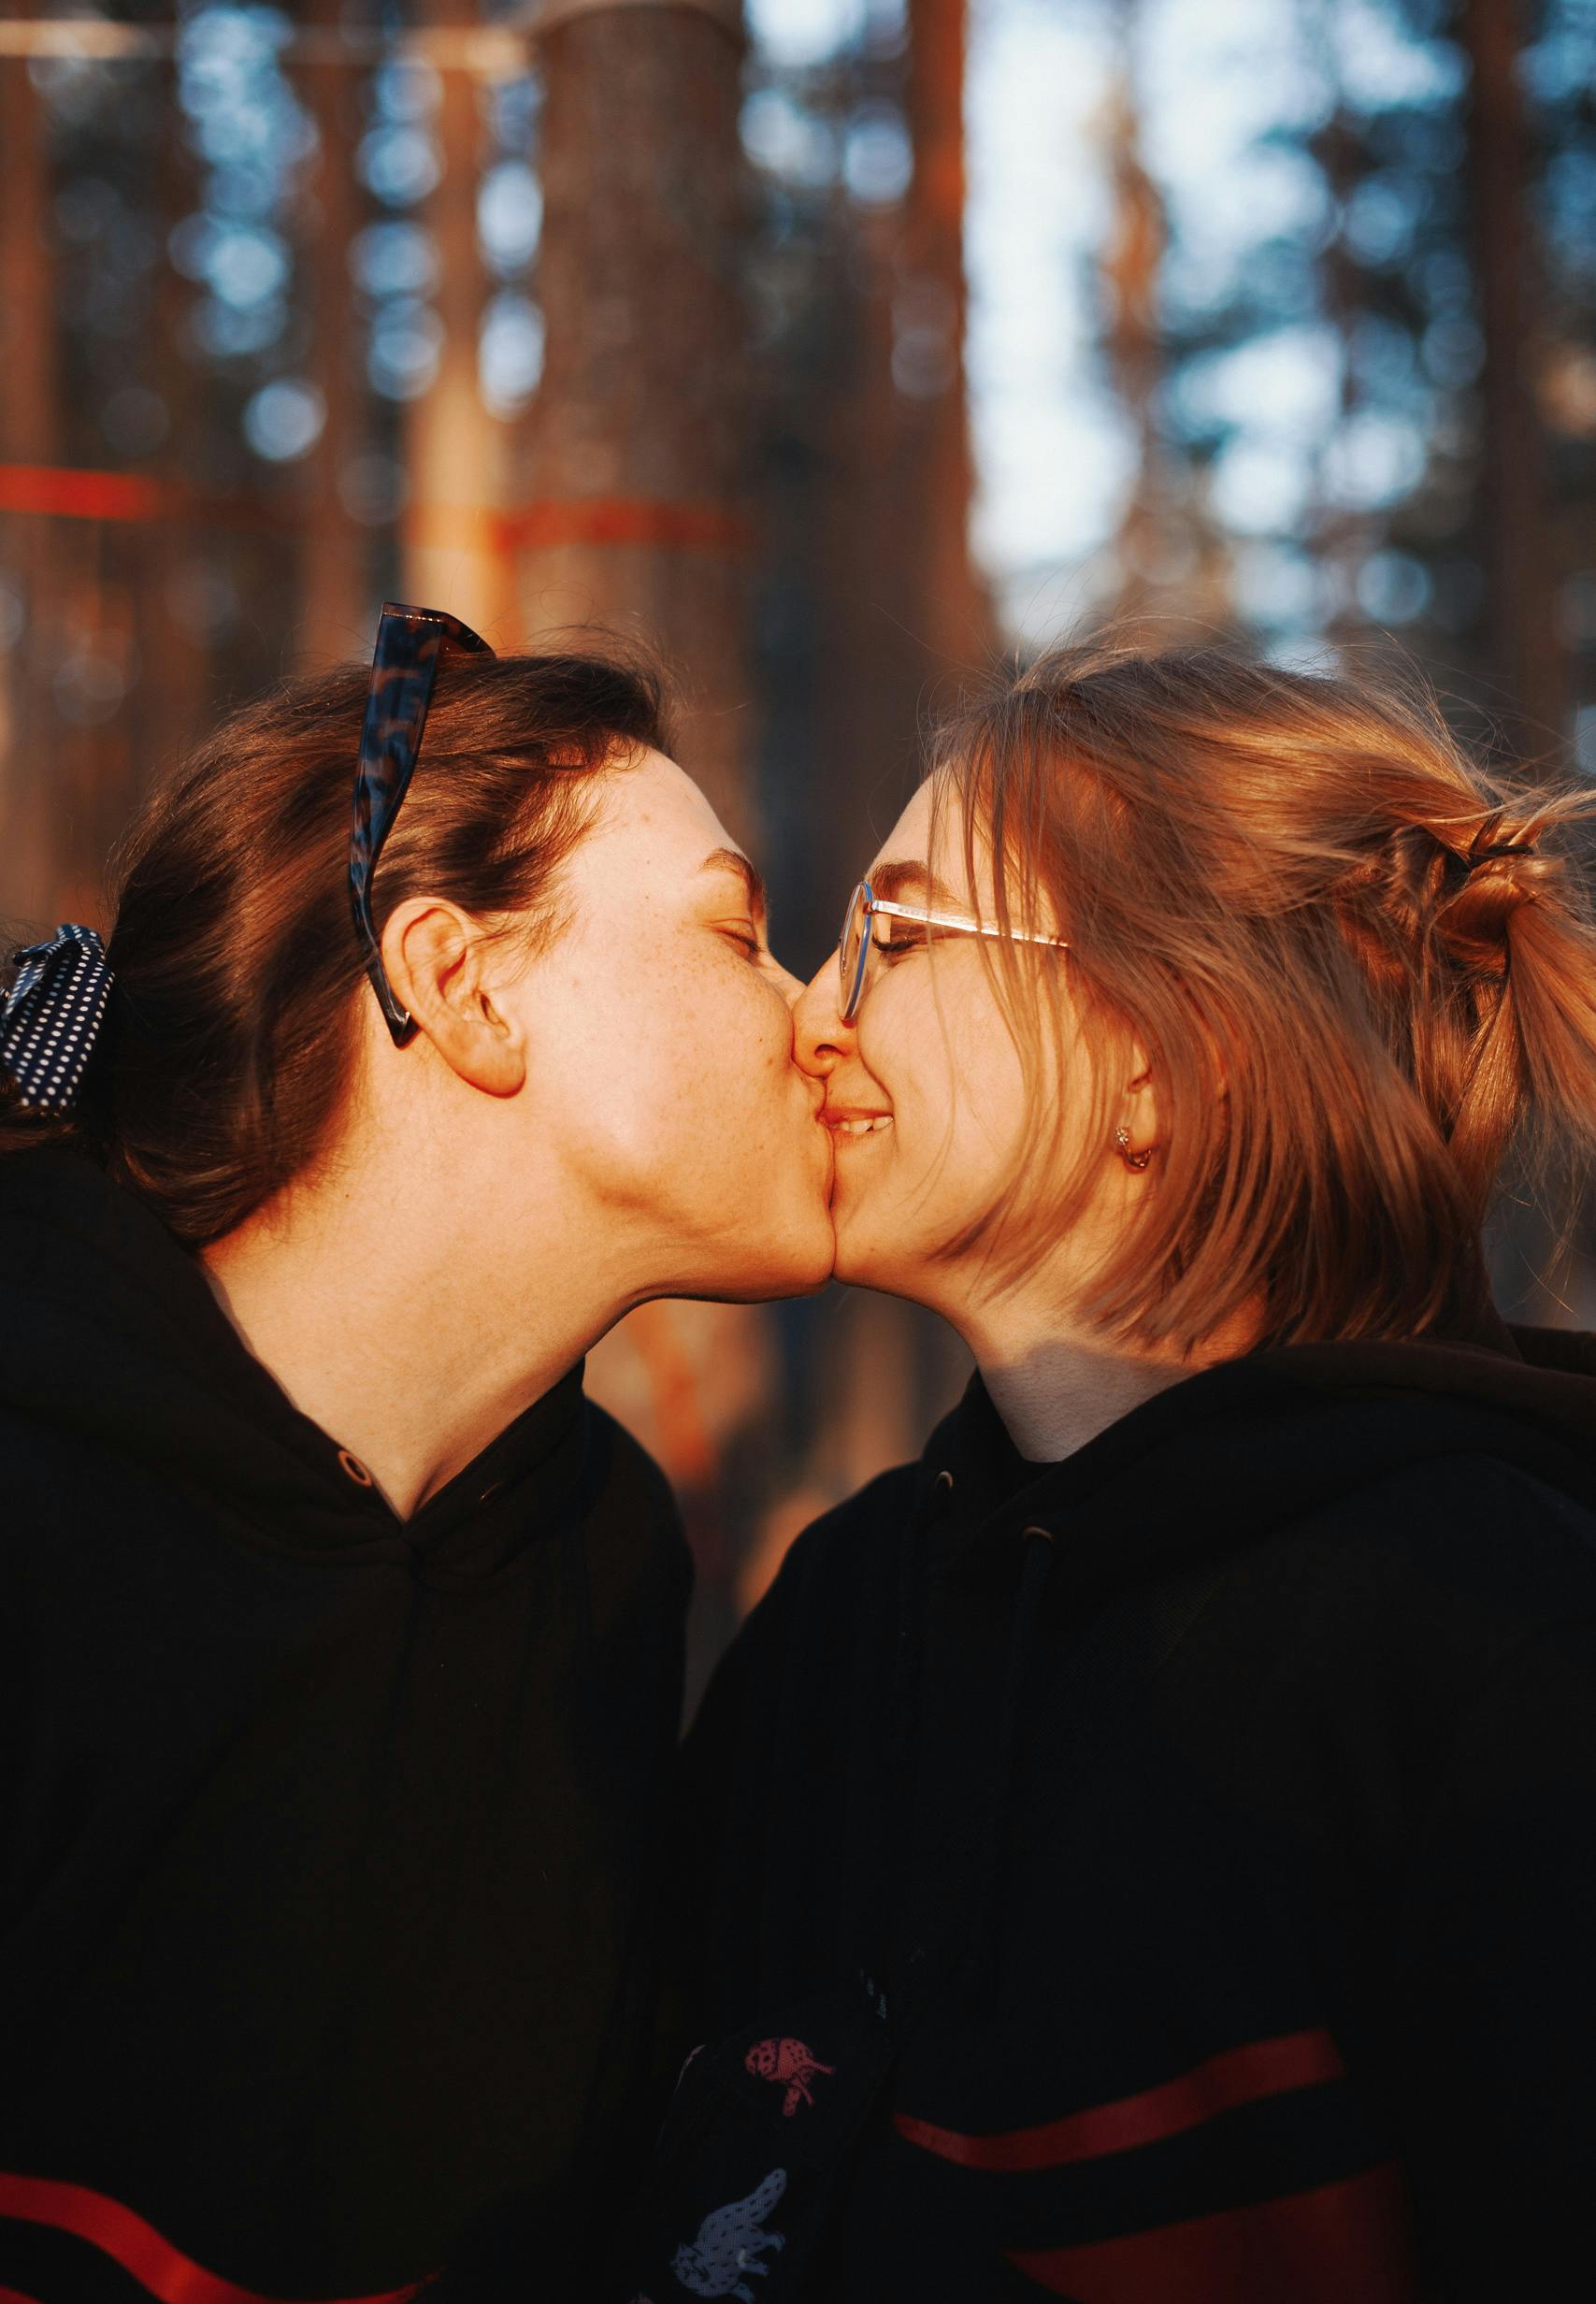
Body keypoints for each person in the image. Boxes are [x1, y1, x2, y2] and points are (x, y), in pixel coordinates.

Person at [641, 642, 1596, 2302]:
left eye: (899, 936)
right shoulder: (848, 1613)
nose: (809, 1011)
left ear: (1168, 1056)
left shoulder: (1498, 1637)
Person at [0, 604, 833, 2303]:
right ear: (460, 986)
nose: (821, 1015)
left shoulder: (599, 1563)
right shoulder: (35, 1481)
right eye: (736, 932)